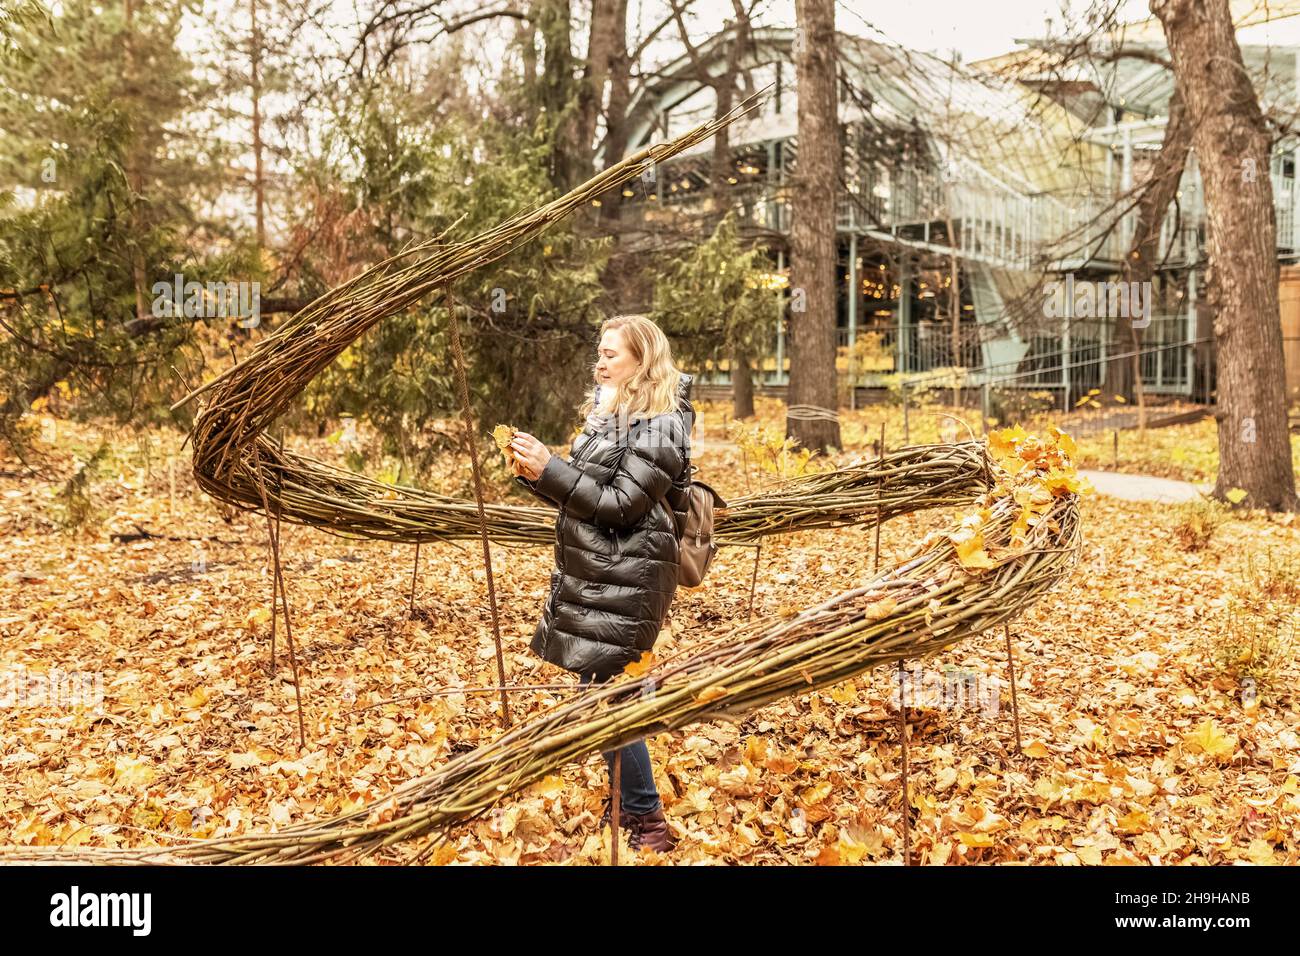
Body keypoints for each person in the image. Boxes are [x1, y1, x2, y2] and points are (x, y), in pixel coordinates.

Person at [508, 314, 694, 853]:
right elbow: (585, 494)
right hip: (601, 570)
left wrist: (553, 470)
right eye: (600, 350)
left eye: (612, 353)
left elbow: (620, 507)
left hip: (631, 575)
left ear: (642, 361)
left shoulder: (661, 425)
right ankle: (630, 803)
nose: (600, 360)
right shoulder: (610, 417)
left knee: (613, 693)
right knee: (603, 689)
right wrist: (538, 475)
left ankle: (647, 820)